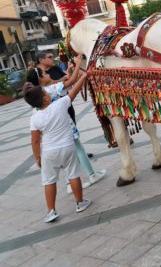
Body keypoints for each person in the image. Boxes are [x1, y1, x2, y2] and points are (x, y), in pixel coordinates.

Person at [26, 57, 106, 192]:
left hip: (51, 135)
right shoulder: (50, 89)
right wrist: (79, 64)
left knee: (64, 158)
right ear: (40, 79)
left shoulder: (39, 93)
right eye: (45, 74)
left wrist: (38, 157)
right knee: (78, 149)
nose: (48, 74)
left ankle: (72, 183)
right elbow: (72, 81)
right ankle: (90, 176)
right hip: (65, 126)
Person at [26, 72, 92, 223]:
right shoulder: (60, 104)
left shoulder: (34, 118)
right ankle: (80, 202)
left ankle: (51, 211)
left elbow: (35, 141)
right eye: (45, 92)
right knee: (73, 175)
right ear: (45, 98)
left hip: (49, 152)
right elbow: (74, 91)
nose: (48, 93)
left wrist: (37, 157)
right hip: (68, 147)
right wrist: (84, 76)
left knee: (49, 181)